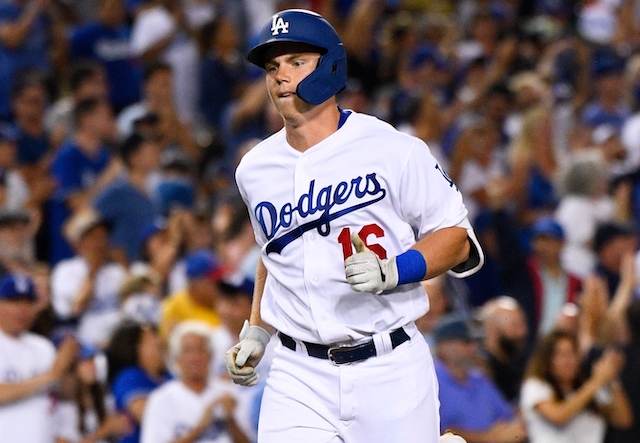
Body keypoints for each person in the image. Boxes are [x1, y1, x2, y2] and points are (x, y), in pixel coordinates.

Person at [225, 9, 484, 443]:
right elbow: (274, 252)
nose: (281, 76)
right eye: (273, 67)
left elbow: (456, 239)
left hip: (390, 366)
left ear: (330, 66)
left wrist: (395, 269)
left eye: (296, 62)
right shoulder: (254, 168)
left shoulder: (392, 149)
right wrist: (256, 328)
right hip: (298, 372)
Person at [141, 321, 252, 443]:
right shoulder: (161, 399)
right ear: (177, 358)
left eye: (201, 350)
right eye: (188, 351)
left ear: (210, 356)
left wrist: (230, 419)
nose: (195, 357)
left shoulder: (228, 392)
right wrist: (200, 426)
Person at [0, 274, 79, 443]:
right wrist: (52, 375)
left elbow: (62, 396)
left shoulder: (43, 347)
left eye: (28, 302)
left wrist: (69, 369)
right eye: (14, 301)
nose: (23, 309)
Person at [520, 330, 632, 443]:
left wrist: (612, 379)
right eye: (562, 355)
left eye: (573, 353)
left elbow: (623, 420)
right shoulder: (535, 385)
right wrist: (598, 380)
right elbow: (559, 416)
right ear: (546, 359)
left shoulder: (587, 386)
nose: (569, 361)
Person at [434, 314, 527, 443]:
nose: (474, 348)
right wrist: (488, 438)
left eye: (476, 342)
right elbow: (436, 432)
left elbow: (507, 418)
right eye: (466, 342)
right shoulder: (431, 380)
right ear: (442, 346)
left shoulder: (479, 378)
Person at [105, 321, 169, 443]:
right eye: (150, 339)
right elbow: (149, 416)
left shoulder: (169, 376)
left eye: (156, 335)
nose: (158, 341)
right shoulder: (129, 377)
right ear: (134, 347)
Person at [480, 296, 530, 404]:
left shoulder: (515, 361)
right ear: (493, 329)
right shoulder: (481, 367)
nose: (523, 332)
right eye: (515, 326)